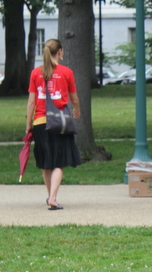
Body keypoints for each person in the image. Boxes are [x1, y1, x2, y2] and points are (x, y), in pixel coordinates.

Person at [26, 38, 81, 211]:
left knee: (46, 162)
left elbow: (31, 102)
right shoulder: (66, 72)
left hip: (40, 122)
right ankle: (53, 198)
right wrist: (77, 110)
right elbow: (74, 98)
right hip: (59, 122)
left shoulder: (36, 73)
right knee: (58, 163)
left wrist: (29, 125)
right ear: (60, 52)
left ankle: (50, 196)